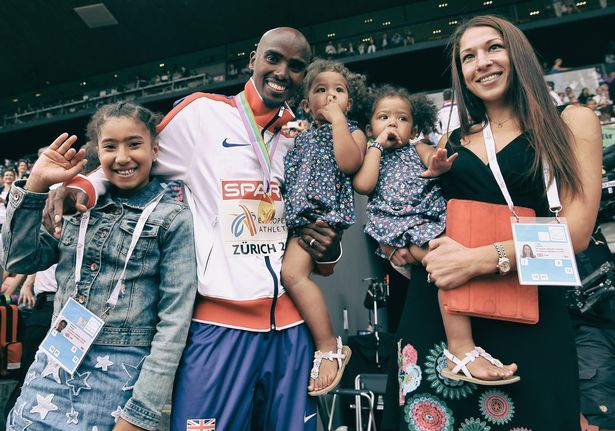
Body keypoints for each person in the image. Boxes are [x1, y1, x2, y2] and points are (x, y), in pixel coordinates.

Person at [48, 28, 342, 430]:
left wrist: (329, 252)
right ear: (253, 58)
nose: (281, 72)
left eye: (295, 66)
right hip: (219, 327)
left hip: (290, 328)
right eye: (273, 58)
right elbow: (133, 156)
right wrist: (81, 186)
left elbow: (314, 222)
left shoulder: (301, 136)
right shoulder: (202, 113)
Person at [382, 15, 601, 430]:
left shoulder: (570, 122)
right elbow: (414, 214)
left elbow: (576, 233)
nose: (481, 62)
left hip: (527, 307)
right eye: (468, 57)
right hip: (442, 313)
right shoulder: (450, 144)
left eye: (493, 48)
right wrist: (408, 249)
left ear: (517, 53)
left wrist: (478, 259)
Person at [2, 102, 198, 431]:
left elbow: (174, 324)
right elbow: (18, 260)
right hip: (52, 368)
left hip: (119, 381)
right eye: (110, 146)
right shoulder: (76, 204)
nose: (122, 157)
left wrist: (140, 412)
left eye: (134, 144)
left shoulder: (173, 219)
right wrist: (35, 184)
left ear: (154, 148)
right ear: (98, 151)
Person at [356, 85, 517, 385]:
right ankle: (461, 348)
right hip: (396, 227)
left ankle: (464, 344)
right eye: (383, 117)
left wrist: (437, 164)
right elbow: (364, 185)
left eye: (402, 119)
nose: (392, 123)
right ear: (370, 127)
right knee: (444, 264)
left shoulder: (416, 147)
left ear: (414, 127)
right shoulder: (371, 153)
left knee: (448, 263)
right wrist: (376, 146)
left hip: (428, 220)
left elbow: (434, 156)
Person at [282, 59, 365, 395]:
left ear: (349, 103)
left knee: (293, 276)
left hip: (323, 216)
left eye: (338, 90)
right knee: (289, 278)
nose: (330, 96)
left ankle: (328, 345)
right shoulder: (302, 138)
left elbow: (349, 162)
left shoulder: (352, 129)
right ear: (305, 104)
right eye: (321, 90)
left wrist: (339, 123)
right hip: (296, 220)